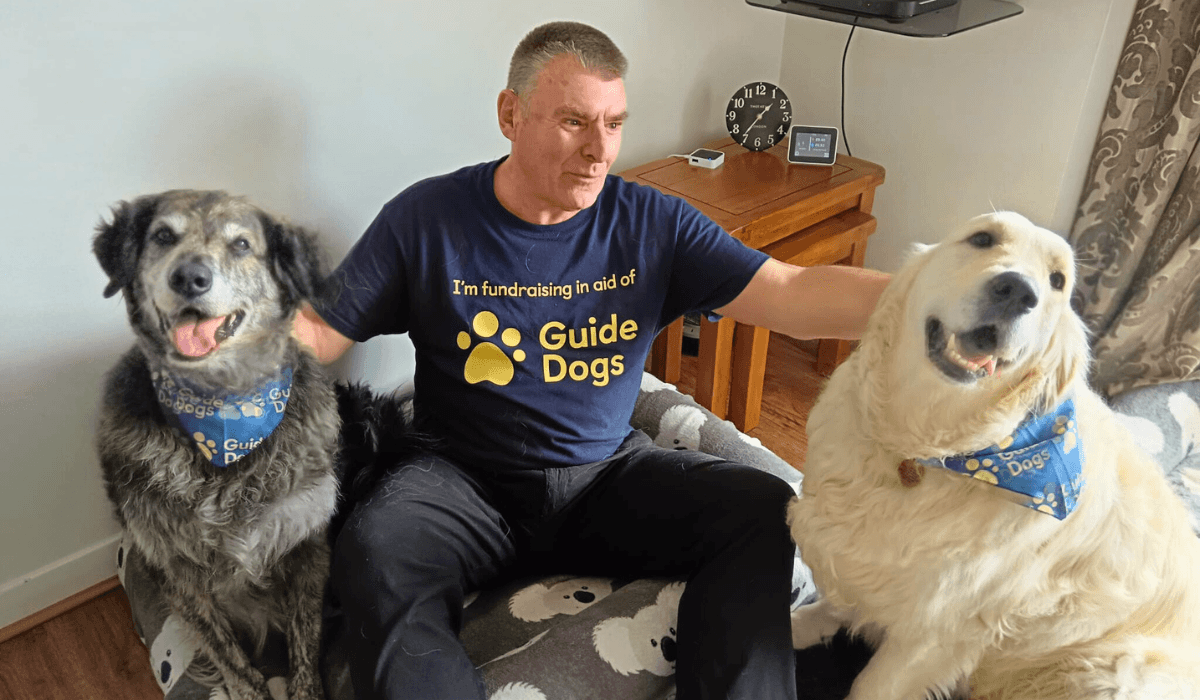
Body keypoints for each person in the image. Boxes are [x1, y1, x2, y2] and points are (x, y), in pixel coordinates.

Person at [293, 20, 890, 700]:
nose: (599, 149)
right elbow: (318, 331)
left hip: (604, 477)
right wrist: (214, 352)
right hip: (461, 480)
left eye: (614, 123)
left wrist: (926, 304)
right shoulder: (427, 218)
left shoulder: (654, 222)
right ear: (510, 115)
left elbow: (789, 291)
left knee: (762, 505)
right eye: (575, 121)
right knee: (373, 548)